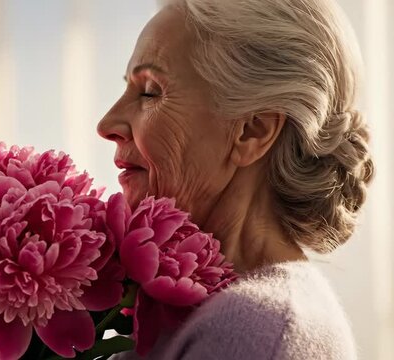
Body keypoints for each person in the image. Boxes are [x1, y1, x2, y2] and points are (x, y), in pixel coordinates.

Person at [97, 0, 373, 358]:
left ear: (252, 131)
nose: (107, 125)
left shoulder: (252, 330)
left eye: (150, 91)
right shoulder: (244, 314)